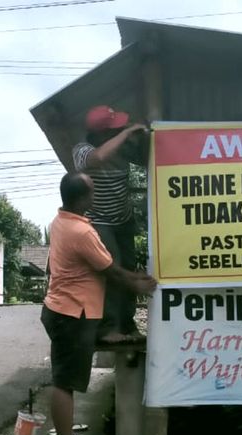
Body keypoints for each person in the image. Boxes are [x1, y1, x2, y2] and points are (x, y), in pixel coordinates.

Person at [41, 172, 156, 435]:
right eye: (92, 191)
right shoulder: (81, 233)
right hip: (71, 314)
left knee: (68, 381)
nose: (95, 195)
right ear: (83, 198)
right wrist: (140, 283)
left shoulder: (62, 221)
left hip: (64, 310)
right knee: (65, 384)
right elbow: (112, 272)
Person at [72, 105, 150, 343]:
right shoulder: (82, 149)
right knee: (112, 271)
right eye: (115, 128)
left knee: (129, 269)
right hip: (100, 222)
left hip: (124, 220)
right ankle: (107, 329)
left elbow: (148, 159)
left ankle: (127, 325)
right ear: (102, 134)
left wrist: (144, 136)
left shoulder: (122, 148)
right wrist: (126, 133)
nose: (120, 129)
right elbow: (98, 158)